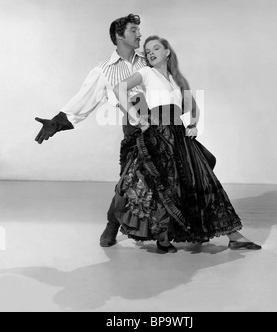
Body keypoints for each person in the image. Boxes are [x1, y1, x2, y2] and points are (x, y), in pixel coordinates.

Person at [34, 13, 217, 247]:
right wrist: (57, 122)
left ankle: (173, 225)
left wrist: (188, 118)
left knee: (175, 173)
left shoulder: (147, 60)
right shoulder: (104, 69)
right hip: (134, 126)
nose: (139, 34)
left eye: (139, 30)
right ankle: (113, 224)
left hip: (162, 124)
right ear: (119, 36)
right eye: (133, 30)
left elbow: (172, 86)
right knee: (128, 180)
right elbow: (85, 98)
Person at [112, 35, 262, 252]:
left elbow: (194, 108)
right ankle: (163, 239)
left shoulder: (177, 80)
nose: (151, 52)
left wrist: (193, 124)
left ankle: (234, 236)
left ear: (167, 52)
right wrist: (138, 118)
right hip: (158, 135)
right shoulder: (146, 73)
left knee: (203, 182)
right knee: (164, 186)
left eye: (156, 48)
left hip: (180, 137)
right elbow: (119, 89)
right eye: (148, 50)